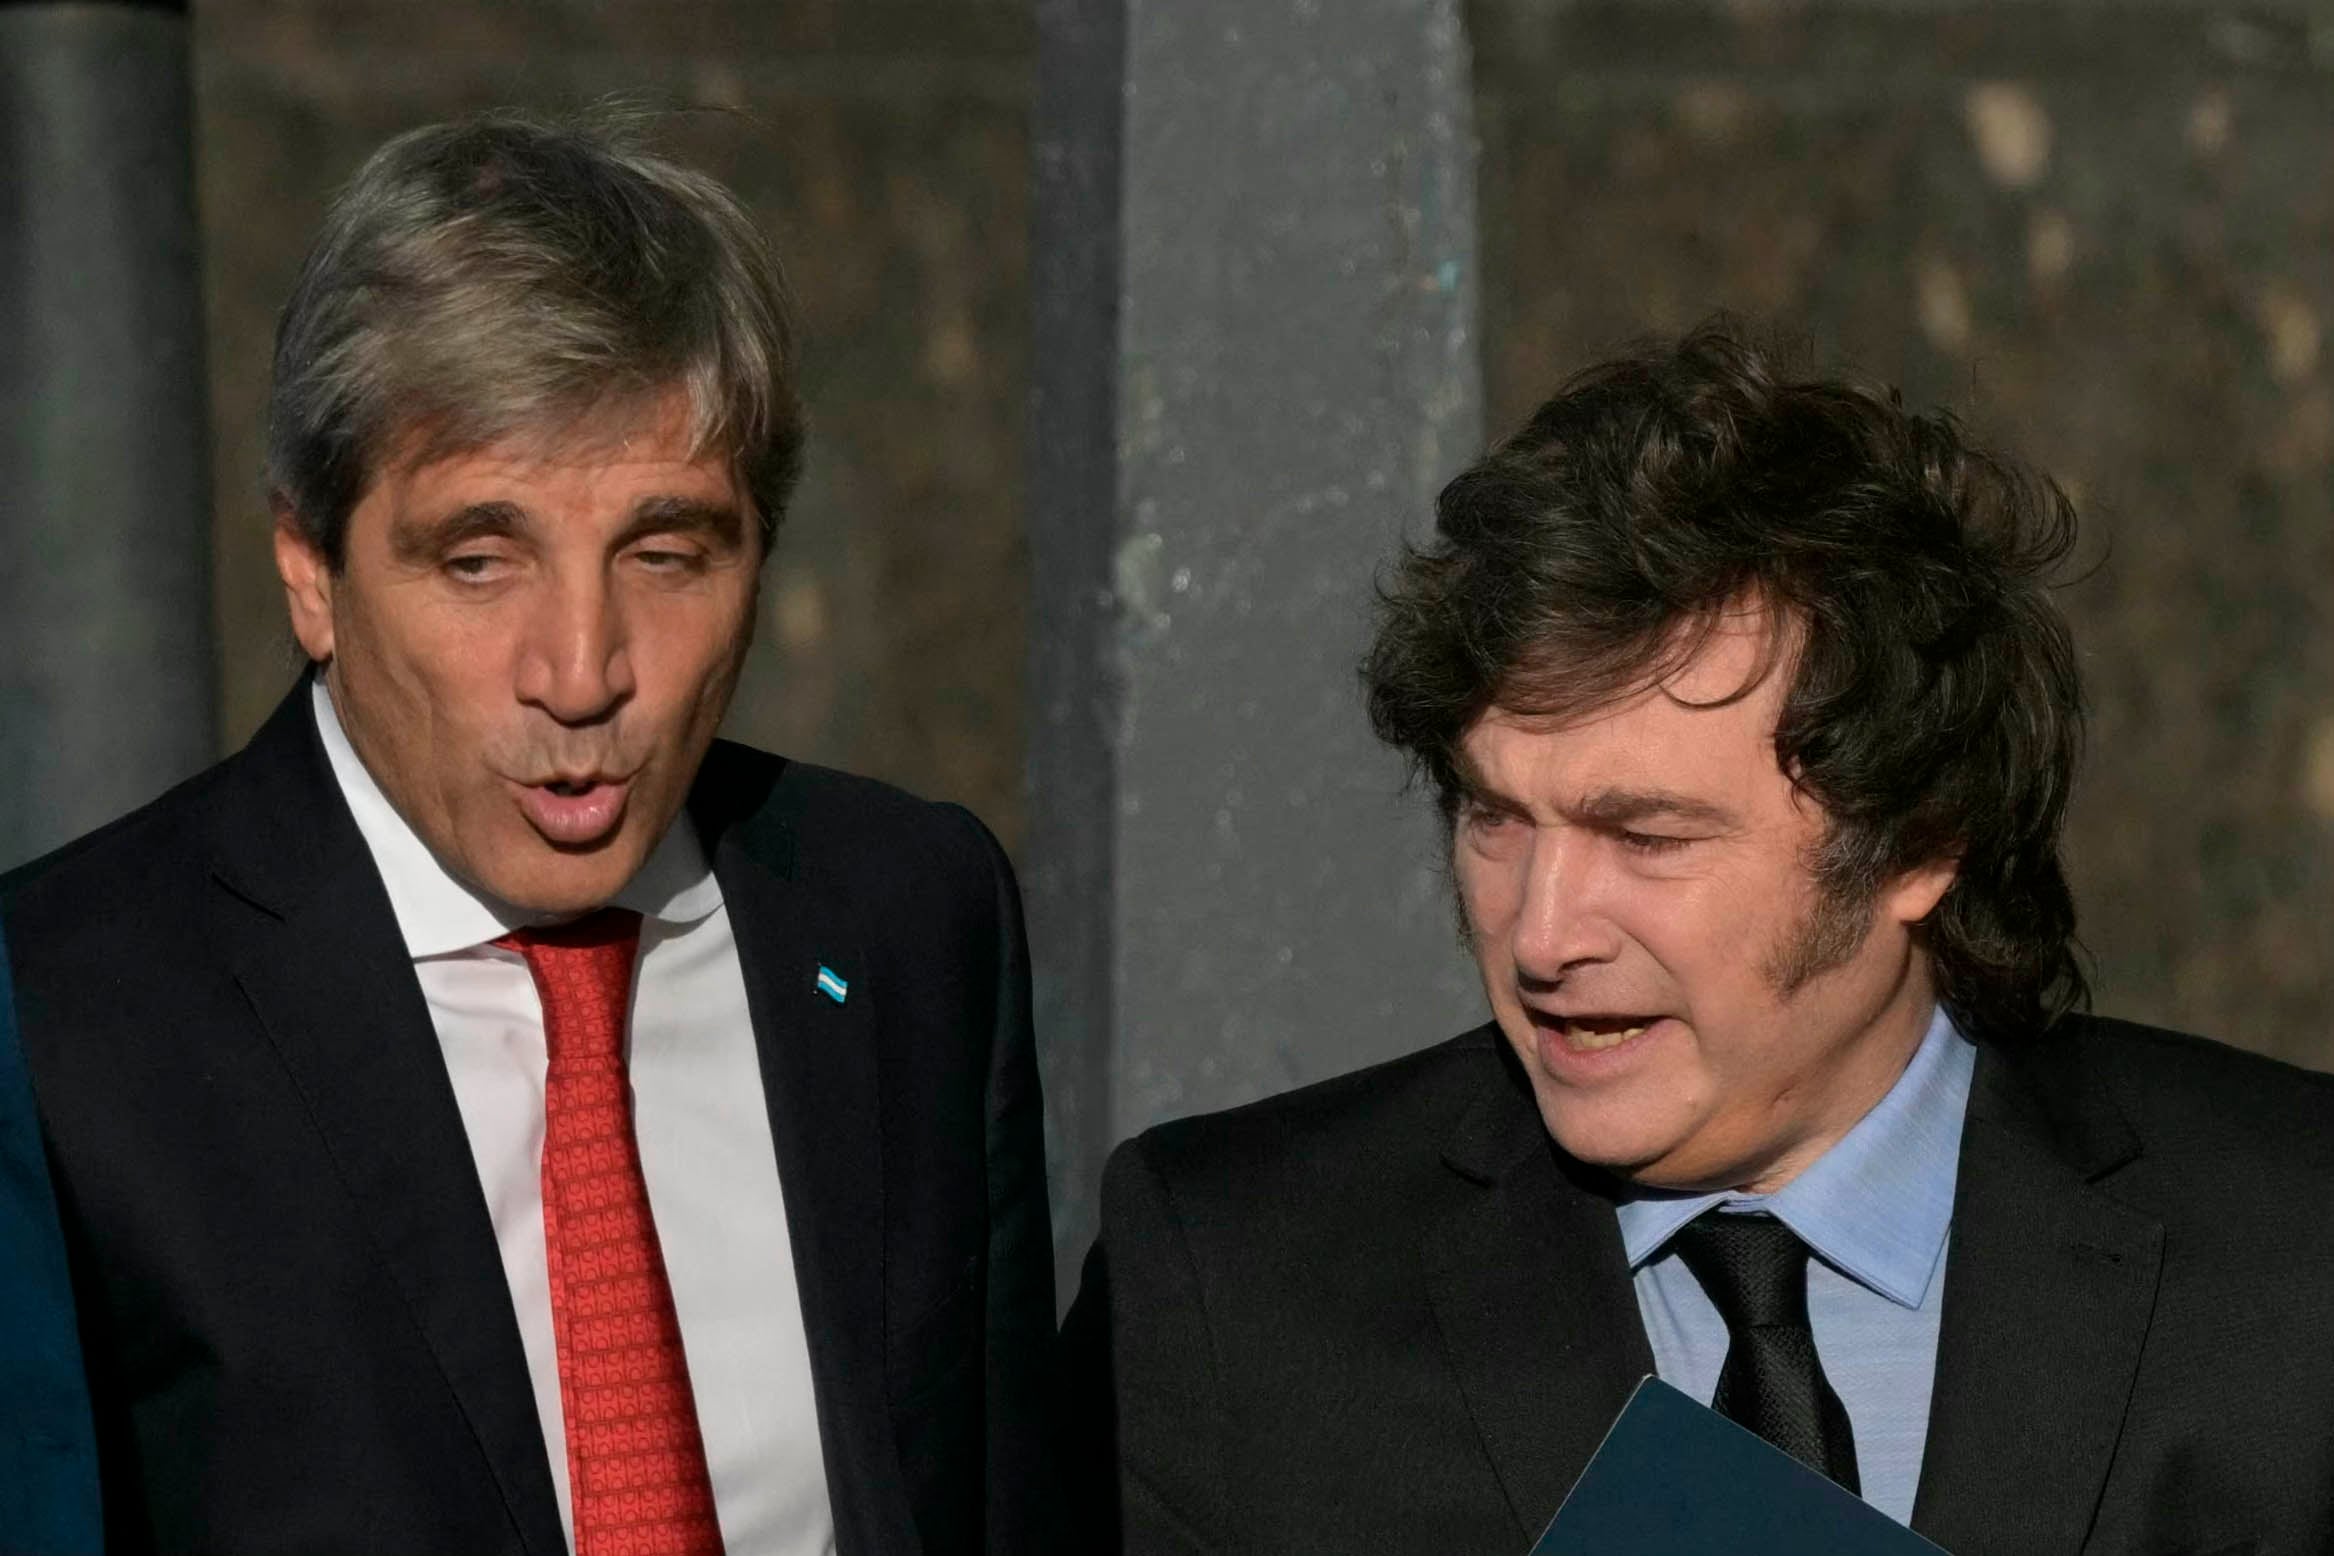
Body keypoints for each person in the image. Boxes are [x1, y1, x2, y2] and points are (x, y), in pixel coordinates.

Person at [1062, 322, 2334, 1555]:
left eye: (1647, 836)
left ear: (1917, 840)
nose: (1542, 932)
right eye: (1495, 816)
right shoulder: (1232, 1283)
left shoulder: (2295, 1247)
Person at [1, 110, 1056, 1556]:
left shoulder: (906, 916)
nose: (580, 670)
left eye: (665, 556)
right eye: (480, 561)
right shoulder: (63, 1011)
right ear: (310, 569)